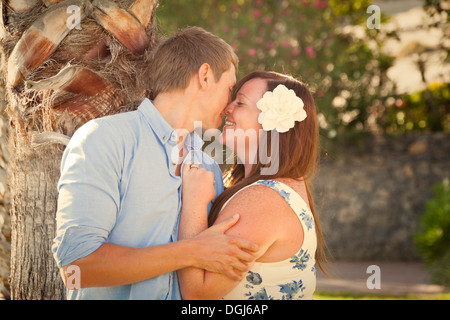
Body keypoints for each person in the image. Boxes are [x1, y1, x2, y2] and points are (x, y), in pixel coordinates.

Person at [51, 27, 259, 300]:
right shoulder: (103, 140)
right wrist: (195, 250)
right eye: (230, 88)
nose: (230, 104)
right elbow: (78, 266)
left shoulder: (209, 167)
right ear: (205, 76)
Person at [178, 71, 327, 300]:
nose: (228, 107)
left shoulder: (264, 199)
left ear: (271, 123)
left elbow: (199, 295)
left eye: (240, 102)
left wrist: (194, 204)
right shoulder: (281, 186)